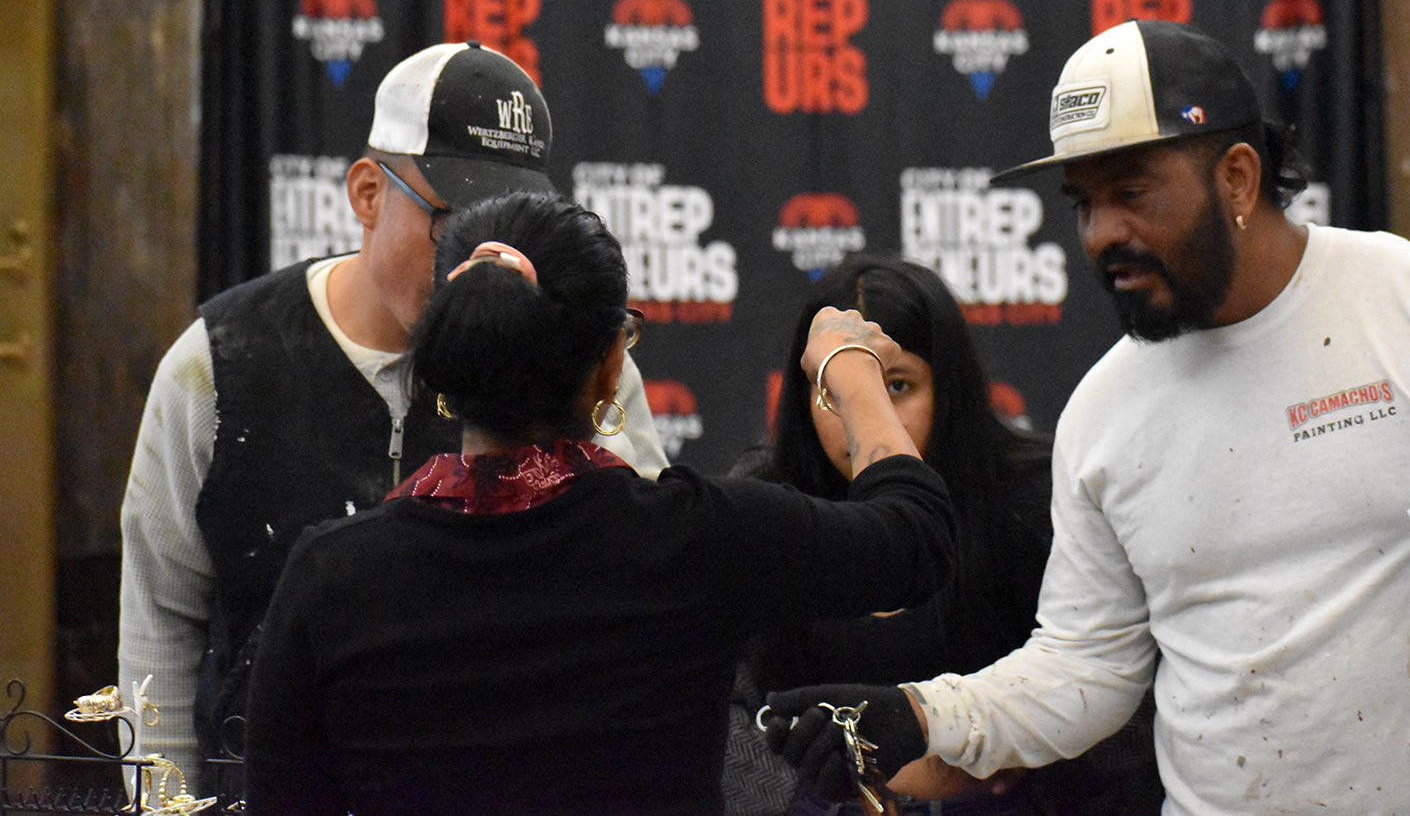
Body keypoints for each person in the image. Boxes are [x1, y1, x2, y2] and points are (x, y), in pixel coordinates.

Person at [765, 19, 1410, 814]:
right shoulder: (1105, 412)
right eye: (1084, 203)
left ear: (1239, 176)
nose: (1102, 232)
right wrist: (921, 712)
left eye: (1132, 191)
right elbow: (1090, 665)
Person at [240, 191, 956, 816]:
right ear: (614, 361)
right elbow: (916, 539)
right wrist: (852, 369)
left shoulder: (330, 577)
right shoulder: (694, 541)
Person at [117, 42, 667, 791]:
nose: (472, 260)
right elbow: (159, 621)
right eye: (452, 221)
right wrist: (166, 805)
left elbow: (653, 572)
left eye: (507, 225)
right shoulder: (217, 361)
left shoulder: (577, 357)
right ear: (368, 192)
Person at [729, 255, 1161, 815]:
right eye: (838, 390)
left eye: (898, 385)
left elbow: (1116, 693)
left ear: (948, 389)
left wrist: (1014, 763)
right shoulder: (760, 503)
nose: (868, 414)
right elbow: (719, 710)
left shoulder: (1035, 498)